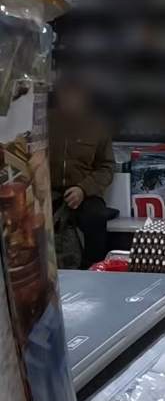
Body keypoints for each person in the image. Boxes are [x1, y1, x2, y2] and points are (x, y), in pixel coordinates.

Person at [49, 74, 118, 268]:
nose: (71, 101)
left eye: (76, 96)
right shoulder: (43, 124)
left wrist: (83, 189)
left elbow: (106, 167)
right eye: (67, 96)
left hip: (85, 193)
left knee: (96, 218)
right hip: (48, 193)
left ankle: (93, 268)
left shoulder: (98, 128)